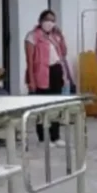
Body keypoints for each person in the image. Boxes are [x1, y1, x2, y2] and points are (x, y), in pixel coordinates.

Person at [25, 10, 71, 146]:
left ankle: (55, 135)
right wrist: (31, 80)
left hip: (55, 71)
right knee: (42, 105)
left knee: (56, 104)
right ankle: (43, 137)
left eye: (52, 20)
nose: (49, 23)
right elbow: (30, 60)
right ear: (41, 21)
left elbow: (63, 52)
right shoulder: (32, 36)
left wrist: (61, 36)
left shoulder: (54, 37)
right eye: (47, 19)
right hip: (41, 72)